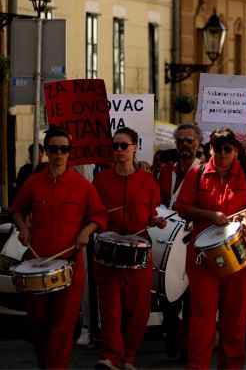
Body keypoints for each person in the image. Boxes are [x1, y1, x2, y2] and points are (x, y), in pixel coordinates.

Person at [11, 128, 108, 369]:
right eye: (54, 149)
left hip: (70, 265)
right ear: (46, 152)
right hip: (38, 264)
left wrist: (86, 232)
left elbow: (98, 215)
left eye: (64, 149)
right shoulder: (33, 182)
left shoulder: (82, 185)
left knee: (61, 329)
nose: (59, 154)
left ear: (70, 152)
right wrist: (23, 228)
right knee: (37, 328)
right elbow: (17, 209)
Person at [174, 128, 246, 370]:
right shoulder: (197, 173)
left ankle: (231, 366)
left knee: (234, 317)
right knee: (202, 316)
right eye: (217, 148)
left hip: (239, 252)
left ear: (236, 150)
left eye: (228, 149)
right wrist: (210, 215)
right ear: (209, 150)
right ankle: (198, 366)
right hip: (202, 256)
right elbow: (182, 206)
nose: (223, 153)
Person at [93, 127, 166, 370]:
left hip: (138, 252)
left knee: (138, 309)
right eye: (115, 146)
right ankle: (110, 355)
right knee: (110, 307)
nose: (119, 150)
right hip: (107, 253)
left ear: (135, 147)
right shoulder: (101, 180)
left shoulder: (147, 181)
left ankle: (127, 356)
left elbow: (151, 215)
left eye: (124, 145)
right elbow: (94, 214)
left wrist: (156, 220)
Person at [157, 123, 203, 361]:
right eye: (181, 141)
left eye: (189, 141)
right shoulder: (167, 172)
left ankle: (187, 343)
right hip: (169, 241)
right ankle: (173, 333)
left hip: (193, 238)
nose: (185, 145)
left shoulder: (205, 171)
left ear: (198, 143)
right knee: (169, 295)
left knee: (193, 297)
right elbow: (159, 201)